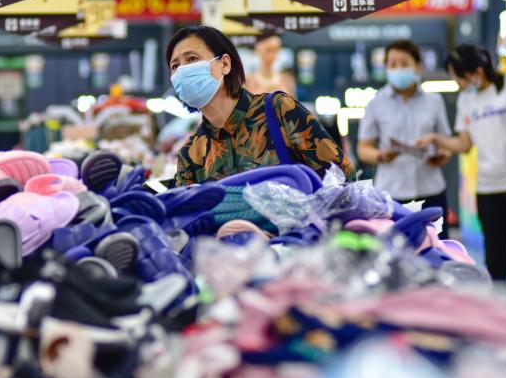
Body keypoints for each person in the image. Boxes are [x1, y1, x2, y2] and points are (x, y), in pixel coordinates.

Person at [416, 45, 506, 291]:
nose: (457, 83)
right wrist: (436, 139)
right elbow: (464, 144)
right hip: (488, 187)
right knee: (494, 258)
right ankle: (498, 306)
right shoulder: (466, 100)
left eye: (459, 77)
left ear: (476, 71)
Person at [167, 25, 350, 186]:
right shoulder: (191, 154)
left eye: (192, 59)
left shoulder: (279, 111)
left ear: (225, 64)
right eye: (175, 66)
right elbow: (187, 210)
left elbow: (342, 175)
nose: (182, 70)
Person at [357, 40, 454, 236]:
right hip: (391, 195)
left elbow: (446, 142)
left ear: (417, 66)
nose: (398, 69)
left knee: (436, 247)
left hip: (431, 191)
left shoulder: (434, 101)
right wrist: (381, 155)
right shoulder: (376, 103)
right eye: (392, 64)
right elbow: (363, 148)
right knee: (394, 250)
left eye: (404, 63)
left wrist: (443, 155)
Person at [245, 30, 296, 96]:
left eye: (275, 50)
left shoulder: (287, 81)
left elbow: (293, 101)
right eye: (268, 50)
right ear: (258, 50)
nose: (272, 55)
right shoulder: (248, 82)